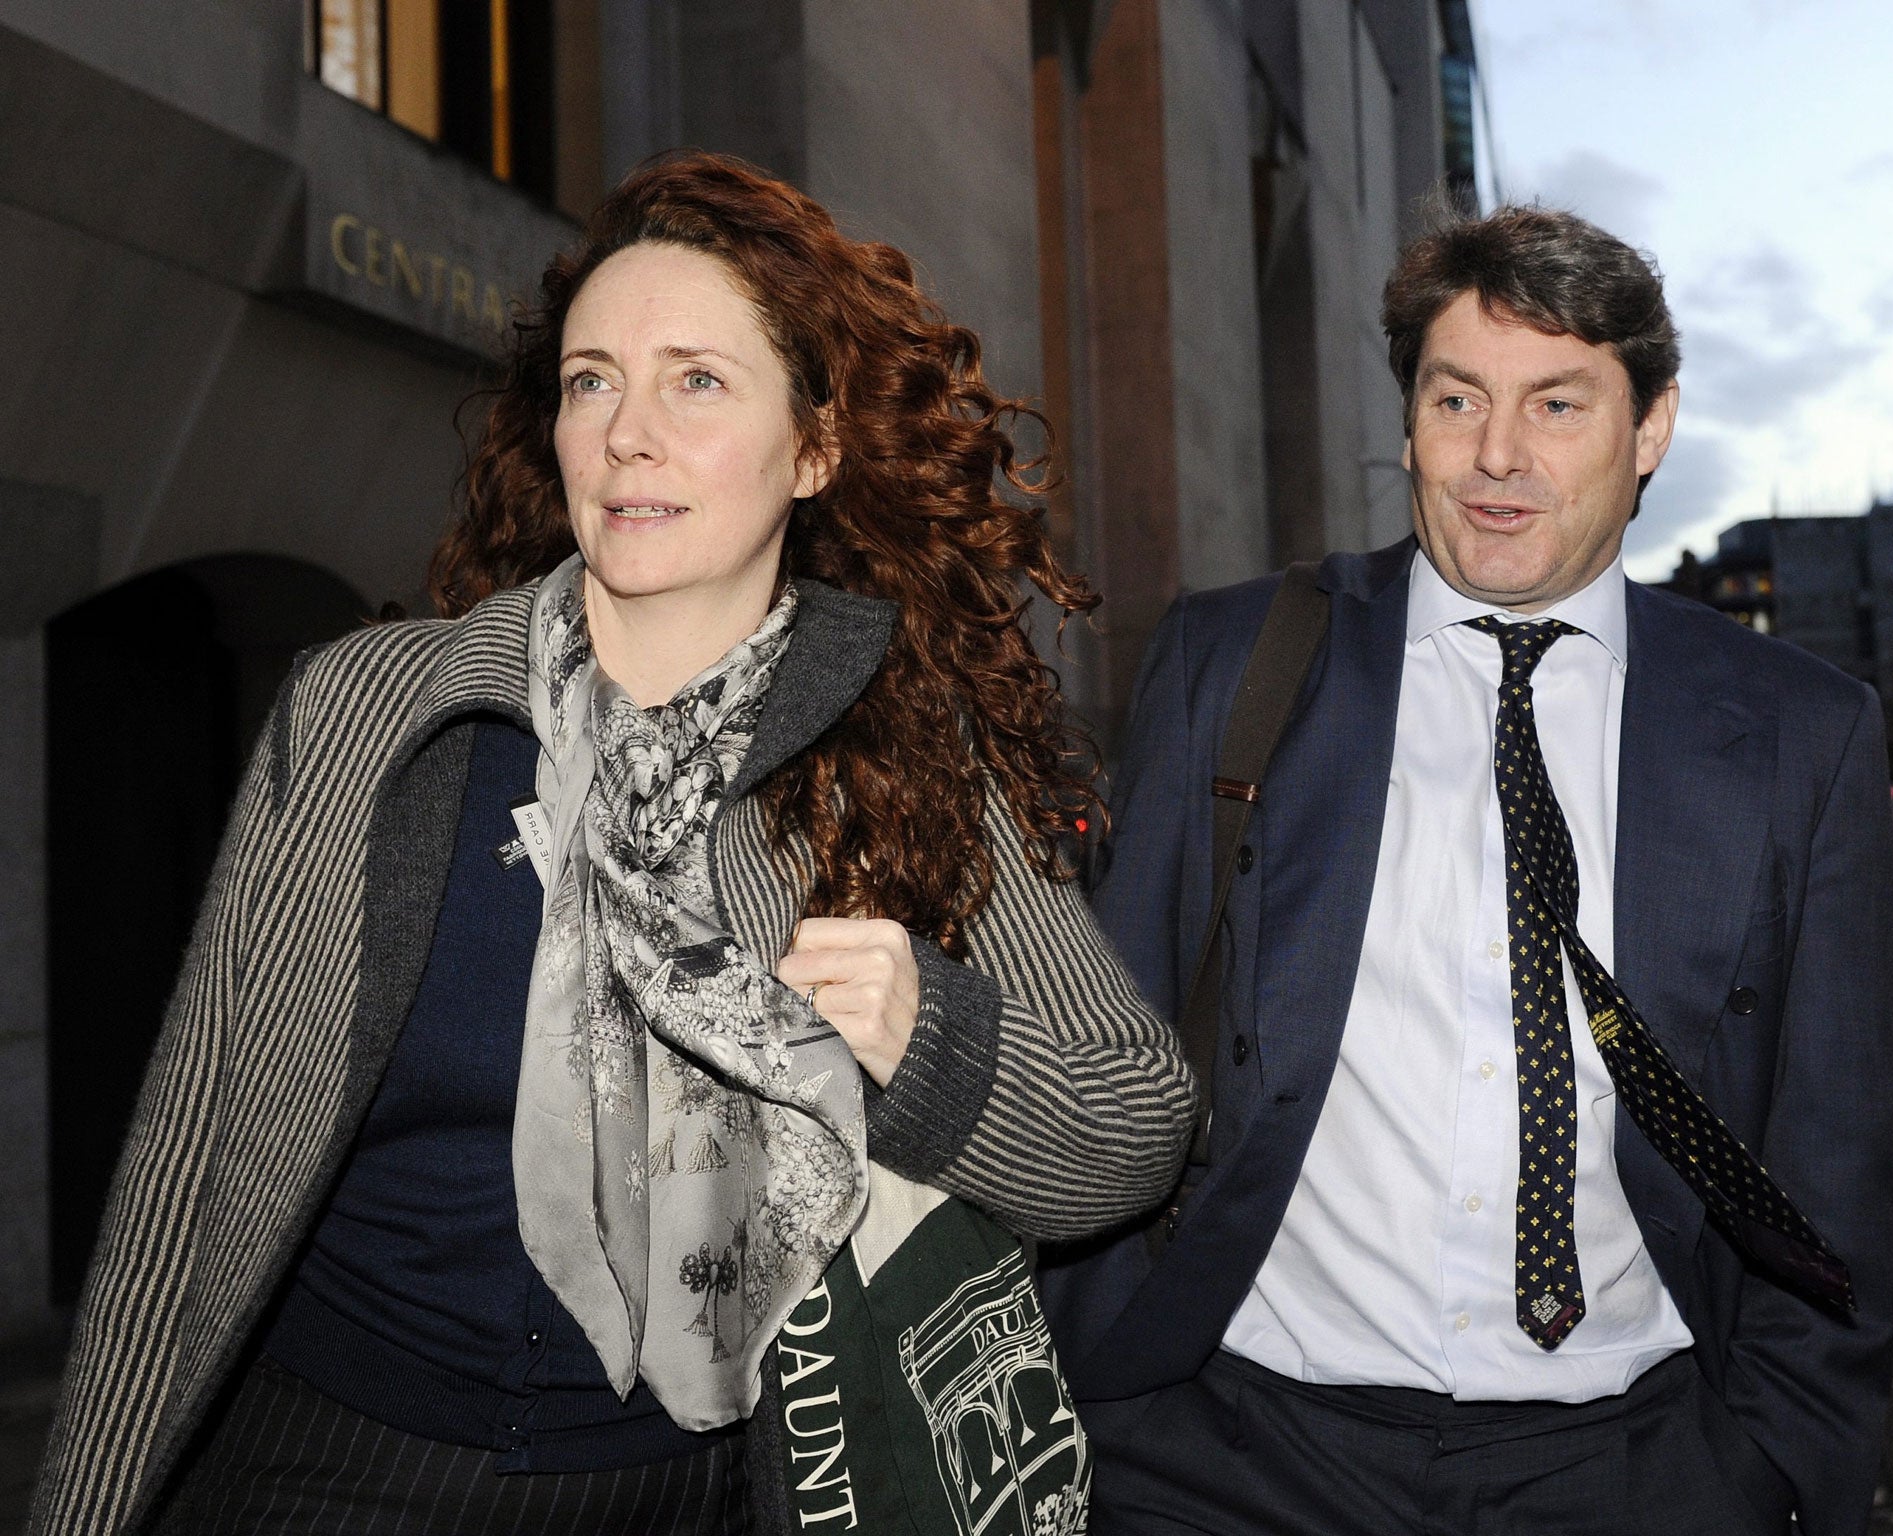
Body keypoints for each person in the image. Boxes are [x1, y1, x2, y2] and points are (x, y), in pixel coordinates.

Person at [32, 154, 1194, 1536]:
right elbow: (192, 1155)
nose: (628, 432)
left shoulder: (896, 752)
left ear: (815, 447)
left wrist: (925, 1038)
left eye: (696, 380)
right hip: (315, 1474)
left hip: (676, 1497)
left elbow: (1134, 1126)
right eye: (593, 380)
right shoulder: (376, 710)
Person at [1040, 204, 1893, 1535]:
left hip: (1635, 1466)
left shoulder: (1801, 730)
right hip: (1233, 1452)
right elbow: (1114, 1034)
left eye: (1559, 405)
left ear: (1651, 430)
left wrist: (1771, 1467)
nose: (1499, 456)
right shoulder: (1238, 664)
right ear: (1410, 425)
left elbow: (1835, 1146)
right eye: (1460, 400)